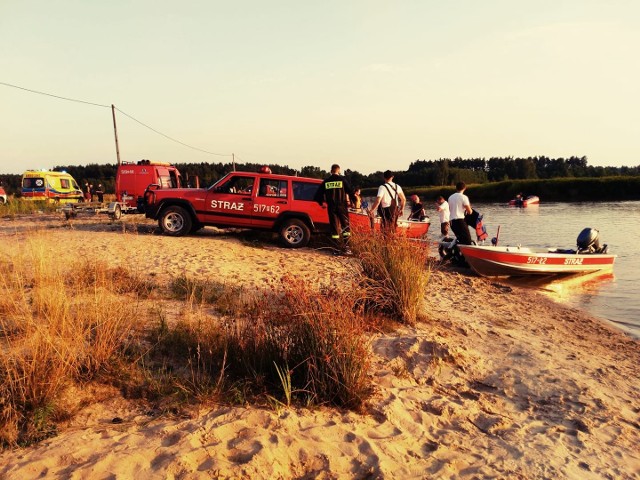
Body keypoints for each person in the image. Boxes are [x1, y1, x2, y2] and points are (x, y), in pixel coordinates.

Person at [314, 164, 355, 255]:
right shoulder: (342, 180)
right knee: (345, 227)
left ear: (331, 171)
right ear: (339, 170)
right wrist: (354, 202)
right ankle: (347, 248)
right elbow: (351, 192)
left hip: (331, 207)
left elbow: (317, 195)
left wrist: (322, 203)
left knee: (334, 228)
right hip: (342, 206)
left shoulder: (326, 182)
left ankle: (335, 249)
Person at [369, 170, 406, 234]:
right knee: (393, 228)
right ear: (392, 177)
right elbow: (403, 199)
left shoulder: (382, 187)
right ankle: (392, 241)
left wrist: (372, 210)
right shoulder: (397, 186)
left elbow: (378, 201)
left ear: (384, 177)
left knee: (385, 229)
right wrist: (402, 209)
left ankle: (386, 242)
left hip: (386, 211)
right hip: (395, 210)